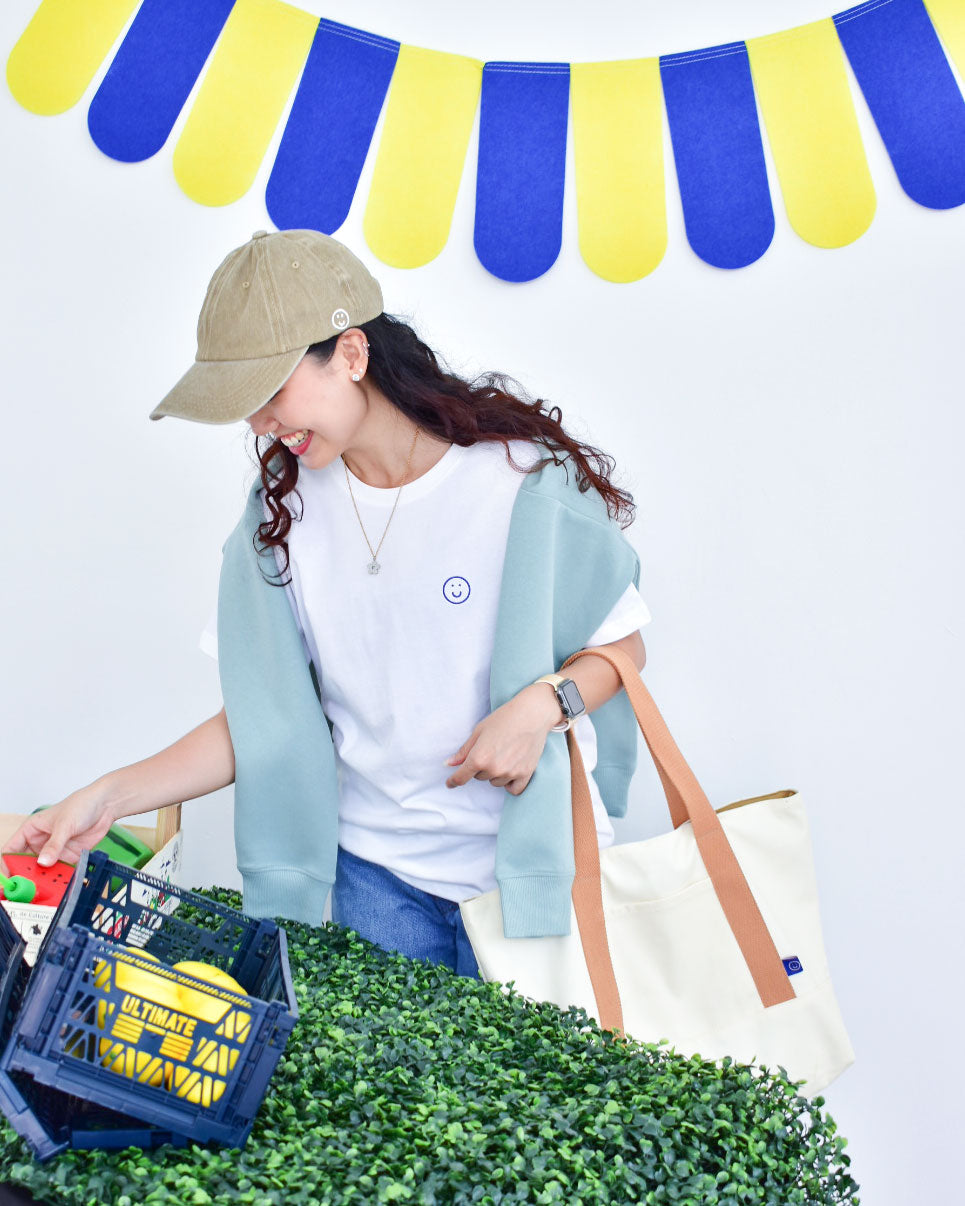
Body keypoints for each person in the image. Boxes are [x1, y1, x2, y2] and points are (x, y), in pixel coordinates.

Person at [1, 229, 650, 980]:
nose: (259, 426)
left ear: (349, 354)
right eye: (244, 407)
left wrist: (541, 707)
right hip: (375, 883)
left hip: (535, 878)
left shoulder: (518, 485)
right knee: (393, 1100)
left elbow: (622, 648)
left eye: (270, 394)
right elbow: (266, 718)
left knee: (542, 1098)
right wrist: (108, 797)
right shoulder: (281, 515)